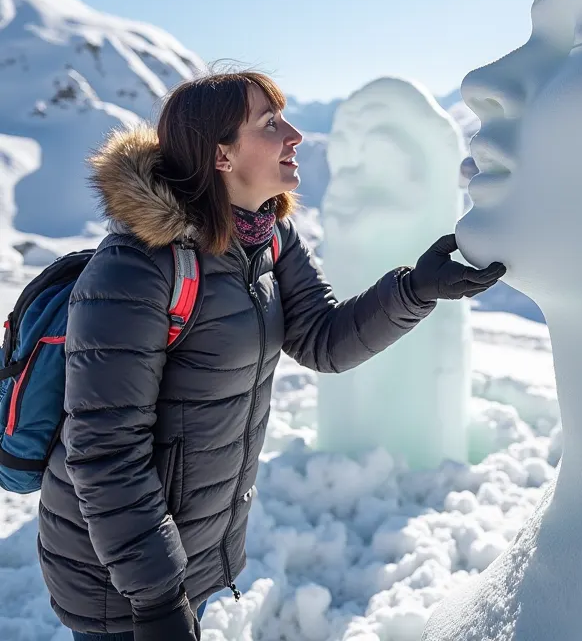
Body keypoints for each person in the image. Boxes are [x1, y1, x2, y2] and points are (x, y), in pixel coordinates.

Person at [35, 71, 505, 641]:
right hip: (117, 577)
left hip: (188, 557)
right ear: (221, 155)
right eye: (270, 123)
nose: (296, 135)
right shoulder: (137, 268)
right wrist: (157, 597)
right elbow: (104, 450)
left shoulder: (268, 237)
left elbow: (322, 339)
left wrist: (414, 290)